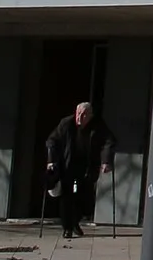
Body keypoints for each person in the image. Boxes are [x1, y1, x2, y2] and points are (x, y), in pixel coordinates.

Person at [43, 99, 114, 240]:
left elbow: (109, 141)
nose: (79, 117)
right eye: (78, 113)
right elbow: (52, 140)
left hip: (87, 166)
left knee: (84, 197)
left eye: (84, 115)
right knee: (67, 197)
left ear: (90, 115)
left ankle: (75, 222)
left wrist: (106, 161)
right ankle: (67, 228)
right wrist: (51, 160)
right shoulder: (66, 123)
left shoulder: (97, 125)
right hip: (68, 165)